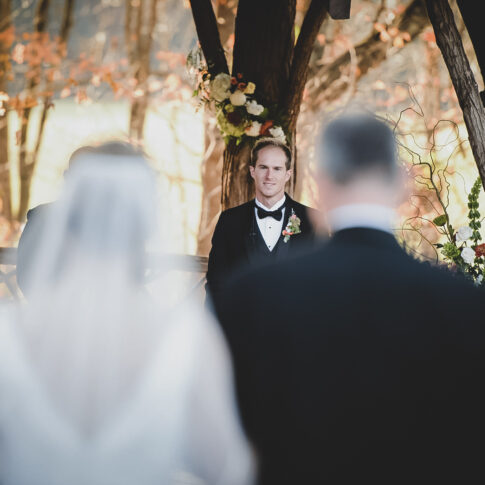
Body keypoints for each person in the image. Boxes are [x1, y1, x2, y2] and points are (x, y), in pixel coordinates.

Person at [216, 112, 485, 484]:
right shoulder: (463, 305)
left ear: (319, 183)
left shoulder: (251, 295)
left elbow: (222, 442)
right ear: (400, 185)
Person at [0, 142, 254, 485]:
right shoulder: (186, 338)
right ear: (148, 223)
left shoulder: (8, 332)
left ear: (70, 214)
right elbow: (226, 470)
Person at [206, 137, 318, 311]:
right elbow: (216, 283)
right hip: (241, 331)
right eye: (263, 167)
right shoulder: (229, 220)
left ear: (287, 174)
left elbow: (319, 283)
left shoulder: (312, 220)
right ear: (252, 171)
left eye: (277, 169)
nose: (269, 176)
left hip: (294, 331)